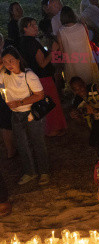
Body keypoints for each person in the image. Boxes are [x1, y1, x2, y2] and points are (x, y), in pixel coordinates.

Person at [0, 46, 50, 186]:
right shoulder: (4, 75)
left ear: (18, 59)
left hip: (31, 113)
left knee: (37, 142)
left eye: (11, 60)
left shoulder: (29, 75)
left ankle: (44, 171)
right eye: (5, 62)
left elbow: (40, 95)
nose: (9, 64)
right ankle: (30, 172)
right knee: (22, 144)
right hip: (16, 115)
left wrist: (20, 102)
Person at [19, 17, 67, 138]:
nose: (36, 27)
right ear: (24, 28)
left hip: (36, 77)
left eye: (36, 24)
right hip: (42, 78)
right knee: (49, 102)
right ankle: (51, 129)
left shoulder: (24, 41)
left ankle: (52, 128)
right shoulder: (32, 43)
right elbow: (43, 63)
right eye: (32, 25)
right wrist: (53, 51)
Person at [57, 6, 99, 85]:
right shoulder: (82, 27)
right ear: (73, 15)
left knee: (76, 82)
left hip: (72, 61)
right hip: (85, 58)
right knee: (89, 80)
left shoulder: (61, 31)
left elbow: (61, 50)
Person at [0, 34, 16, 159]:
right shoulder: (4, 58)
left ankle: (11, 149)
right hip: (5, 92)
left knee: (5, 122)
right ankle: (11, 149)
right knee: (7, 122)